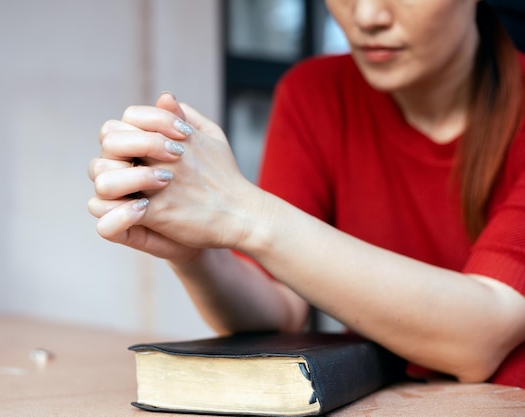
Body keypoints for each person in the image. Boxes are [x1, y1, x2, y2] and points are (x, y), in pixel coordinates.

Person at [88, 0, 525, 387]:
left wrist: (240, 212)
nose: (369, 16)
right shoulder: (313, 94)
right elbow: (278, 311)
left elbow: (480, 337)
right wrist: (199, 252)